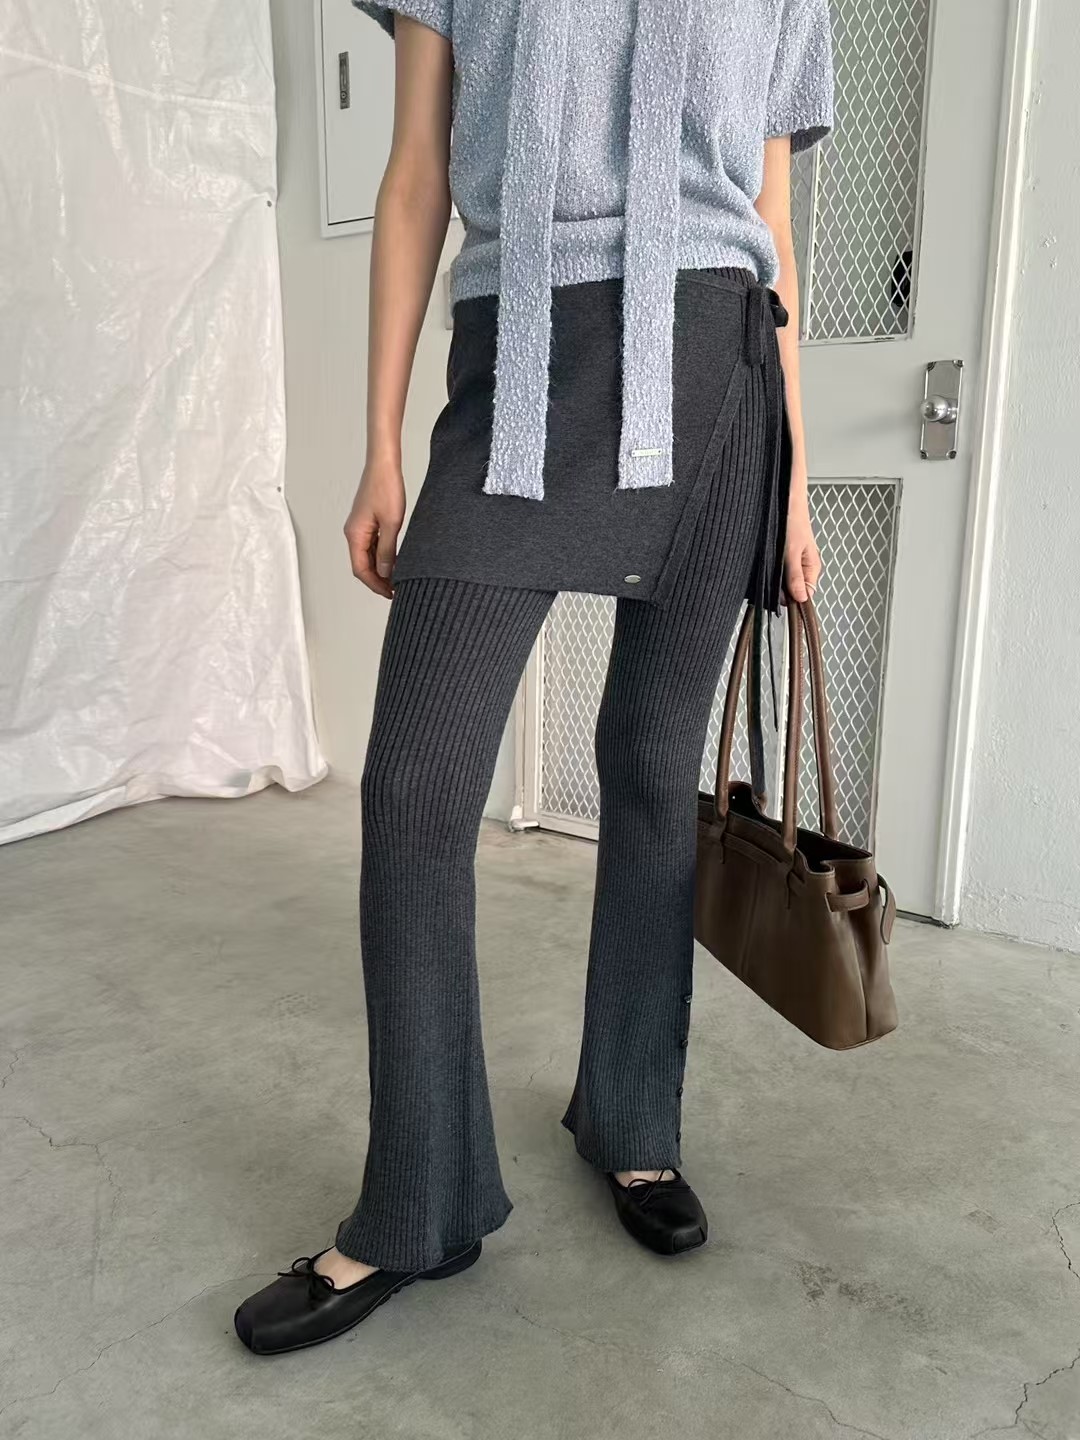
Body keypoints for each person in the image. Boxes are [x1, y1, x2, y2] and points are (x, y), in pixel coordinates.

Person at [234, 0, 833, 1355]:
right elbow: (415, 176)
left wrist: (794, 475)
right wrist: (382, 448)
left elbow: (772, 222)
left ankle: (633, 1121)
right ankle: (420, 1204)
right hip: (518, 363)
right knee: (415, 790)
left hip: (718, 378)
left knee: (649, 772)